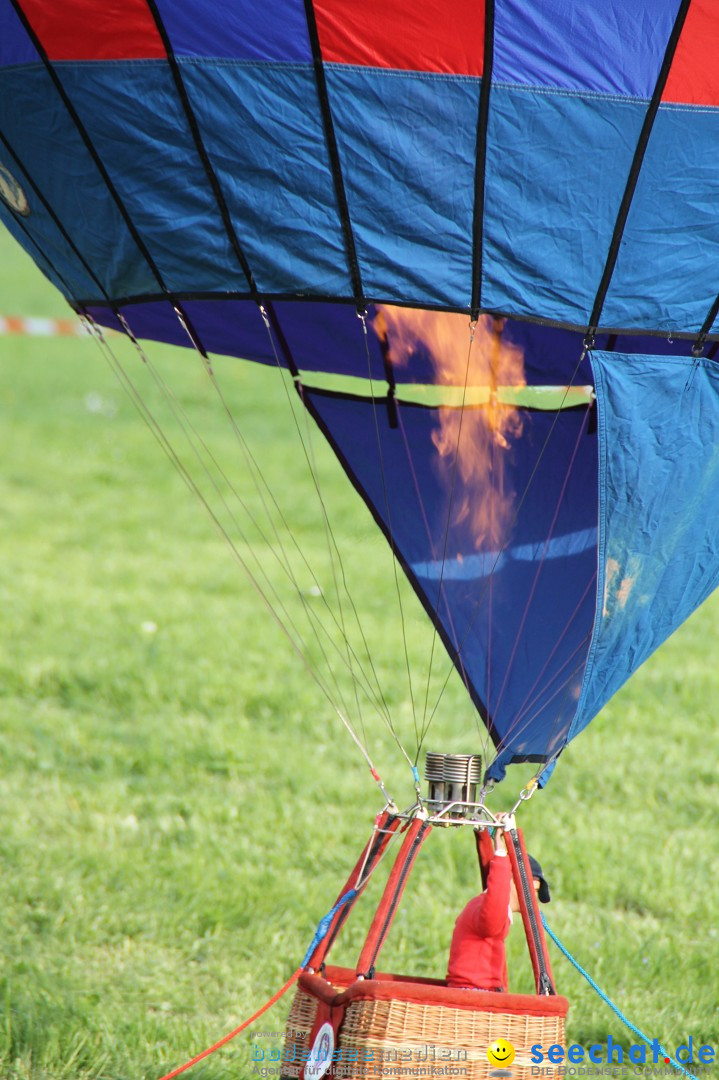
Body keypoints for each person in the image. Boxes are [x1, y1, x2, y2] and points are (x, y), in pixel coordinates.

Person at [446, 821, 551, 991]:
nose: (533, 899)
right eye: (532, 890)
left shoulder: (482, 905)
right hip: (473, 995)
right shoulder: (489, 909)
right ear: (510, 881)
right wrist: (500, 854)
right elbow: (492, 919)